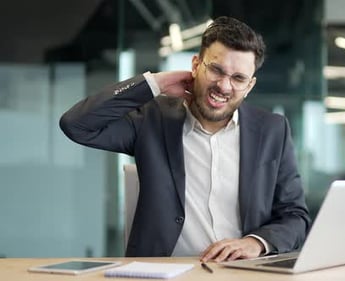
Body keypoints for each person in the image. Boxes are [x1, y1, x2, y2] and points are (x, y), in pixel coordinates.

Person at [60, 16, 311, 262]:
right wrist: (155, 83)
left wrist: (255, 242)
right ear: (195, 65)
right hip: (162, 273)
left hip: (242, 273)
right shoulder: (152, 119)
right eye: (216, 69)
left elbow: (295, 216)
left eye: (238, 78)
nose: (224, 86)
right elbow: (77, 125)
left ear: (250, 85)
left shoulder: (272, 130)